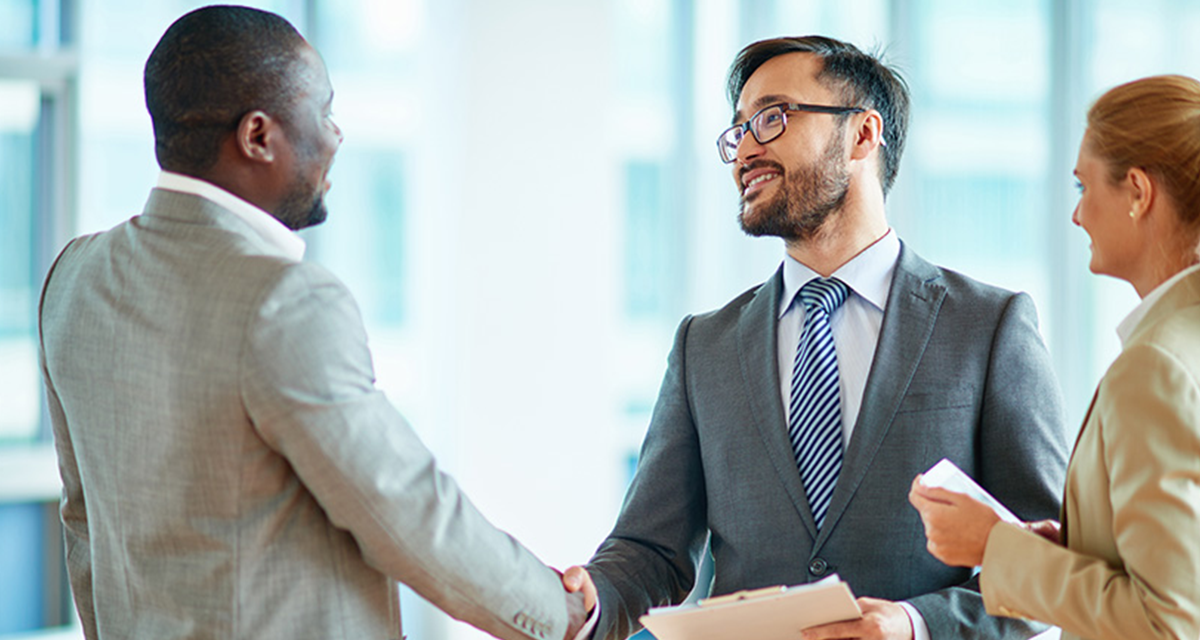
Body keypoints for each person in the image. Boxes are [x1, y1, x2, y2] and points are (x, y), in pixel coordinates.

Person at [38, 6, 588, 640]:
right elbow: (407, 511)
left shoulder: (72, 279)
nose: (336, 136)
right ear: (258, 137)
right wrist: (559, 614)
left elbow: (83, 525)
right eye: (324, 112)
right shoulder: (284, 301)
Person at [561, 36, 1068, 640]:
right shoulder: (705, 346)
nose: (744, 149)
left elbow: (1052, 571)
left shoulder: (989, 327)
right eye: (739, 129)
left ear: (862, 134)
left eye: (771, 118)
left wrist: (913, 625)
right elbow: (650, 551)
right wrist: (589, 601)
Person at [909, 74, 1200, 640]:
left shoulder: (1157, 367)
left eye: (1082, 187)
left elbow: (1169, 622)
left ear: (1138, 192)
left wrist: (994, 546)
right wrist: (1078, 546)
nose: (1077, 215)